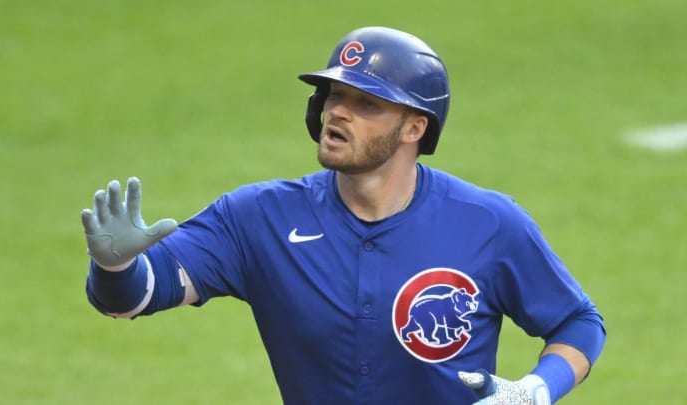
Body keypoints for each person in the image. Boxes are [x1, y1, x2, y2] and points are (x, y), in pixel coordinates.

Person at [81, 26, 606, 404]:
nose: (338, 112)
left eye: (367, 103)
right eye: (334, 96)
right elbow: (138, 297)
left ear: (414, 128)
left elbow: (577, 322)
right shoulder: (258, 218)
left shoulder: (488, 224)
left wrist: (536, 391)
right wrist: (114, 269)